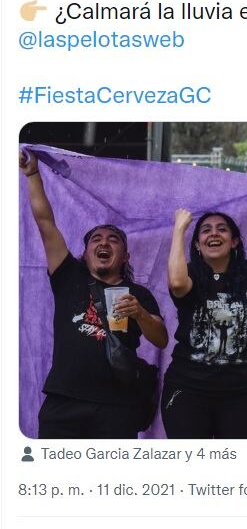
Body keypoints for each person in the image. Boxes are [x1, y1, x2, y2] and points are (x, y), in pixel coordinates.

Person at [20, 151, 168, 439]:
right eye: (96, 240)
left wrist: (139, 313)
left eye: (113, 240)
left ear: (125, 256)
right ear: (85, 254)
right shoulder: (68, 276)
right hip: (63, 402)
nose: (104, 243)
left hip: (117, 408)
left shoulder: (138, 294)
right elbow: (45, 222)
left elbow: (160, 338)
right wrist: (33, 175)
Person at [162, 179, 247, 439]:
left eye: (222, 229)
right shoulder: (189, 274)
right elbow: (177, 283)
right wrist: (179, 230)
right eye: (205, 231)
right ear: (197, 245)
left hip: (238, 393)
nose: (214, 234)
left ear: (234, 241)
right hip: (187, 391)